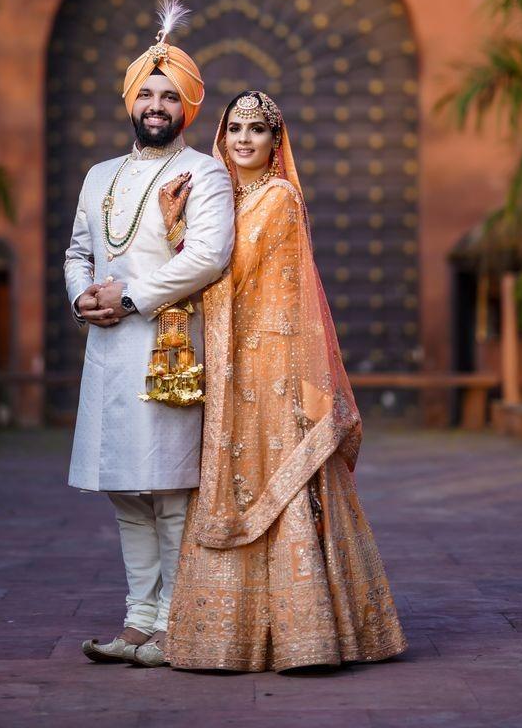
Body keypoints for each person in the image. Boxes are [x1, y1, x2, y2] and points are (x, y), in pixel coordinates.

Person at [164, 90, 408, 672]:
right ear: (220, 137)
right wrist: (184, 232)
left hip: (270, 365)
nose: (244, 139)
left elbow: (224, 268)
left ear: (276, 144)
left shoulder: (278, 197)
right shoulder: (226, 200)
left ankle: (308, 636)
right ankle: (229, 638)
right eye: (234, 129)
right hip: (230, 362)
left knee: (281, 473)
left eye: (258, 130)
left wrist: (177, 234)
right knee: (233, 474)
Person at [63, 0, 234, 668]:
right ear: (131, 101)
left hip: (170, 349)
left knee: (166, 489)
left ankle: (170, 624)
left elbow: (208, 257)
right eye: (147, 93)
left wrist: (128, 295)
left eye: (170, 95)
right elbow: (78, 249)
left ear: (188, 107)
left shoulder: (206, 172)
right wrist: (83, 296)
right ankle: (137, 621)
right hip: (104, 348)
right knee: (124, 490)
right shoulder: (99, 175)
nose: (157, 105)